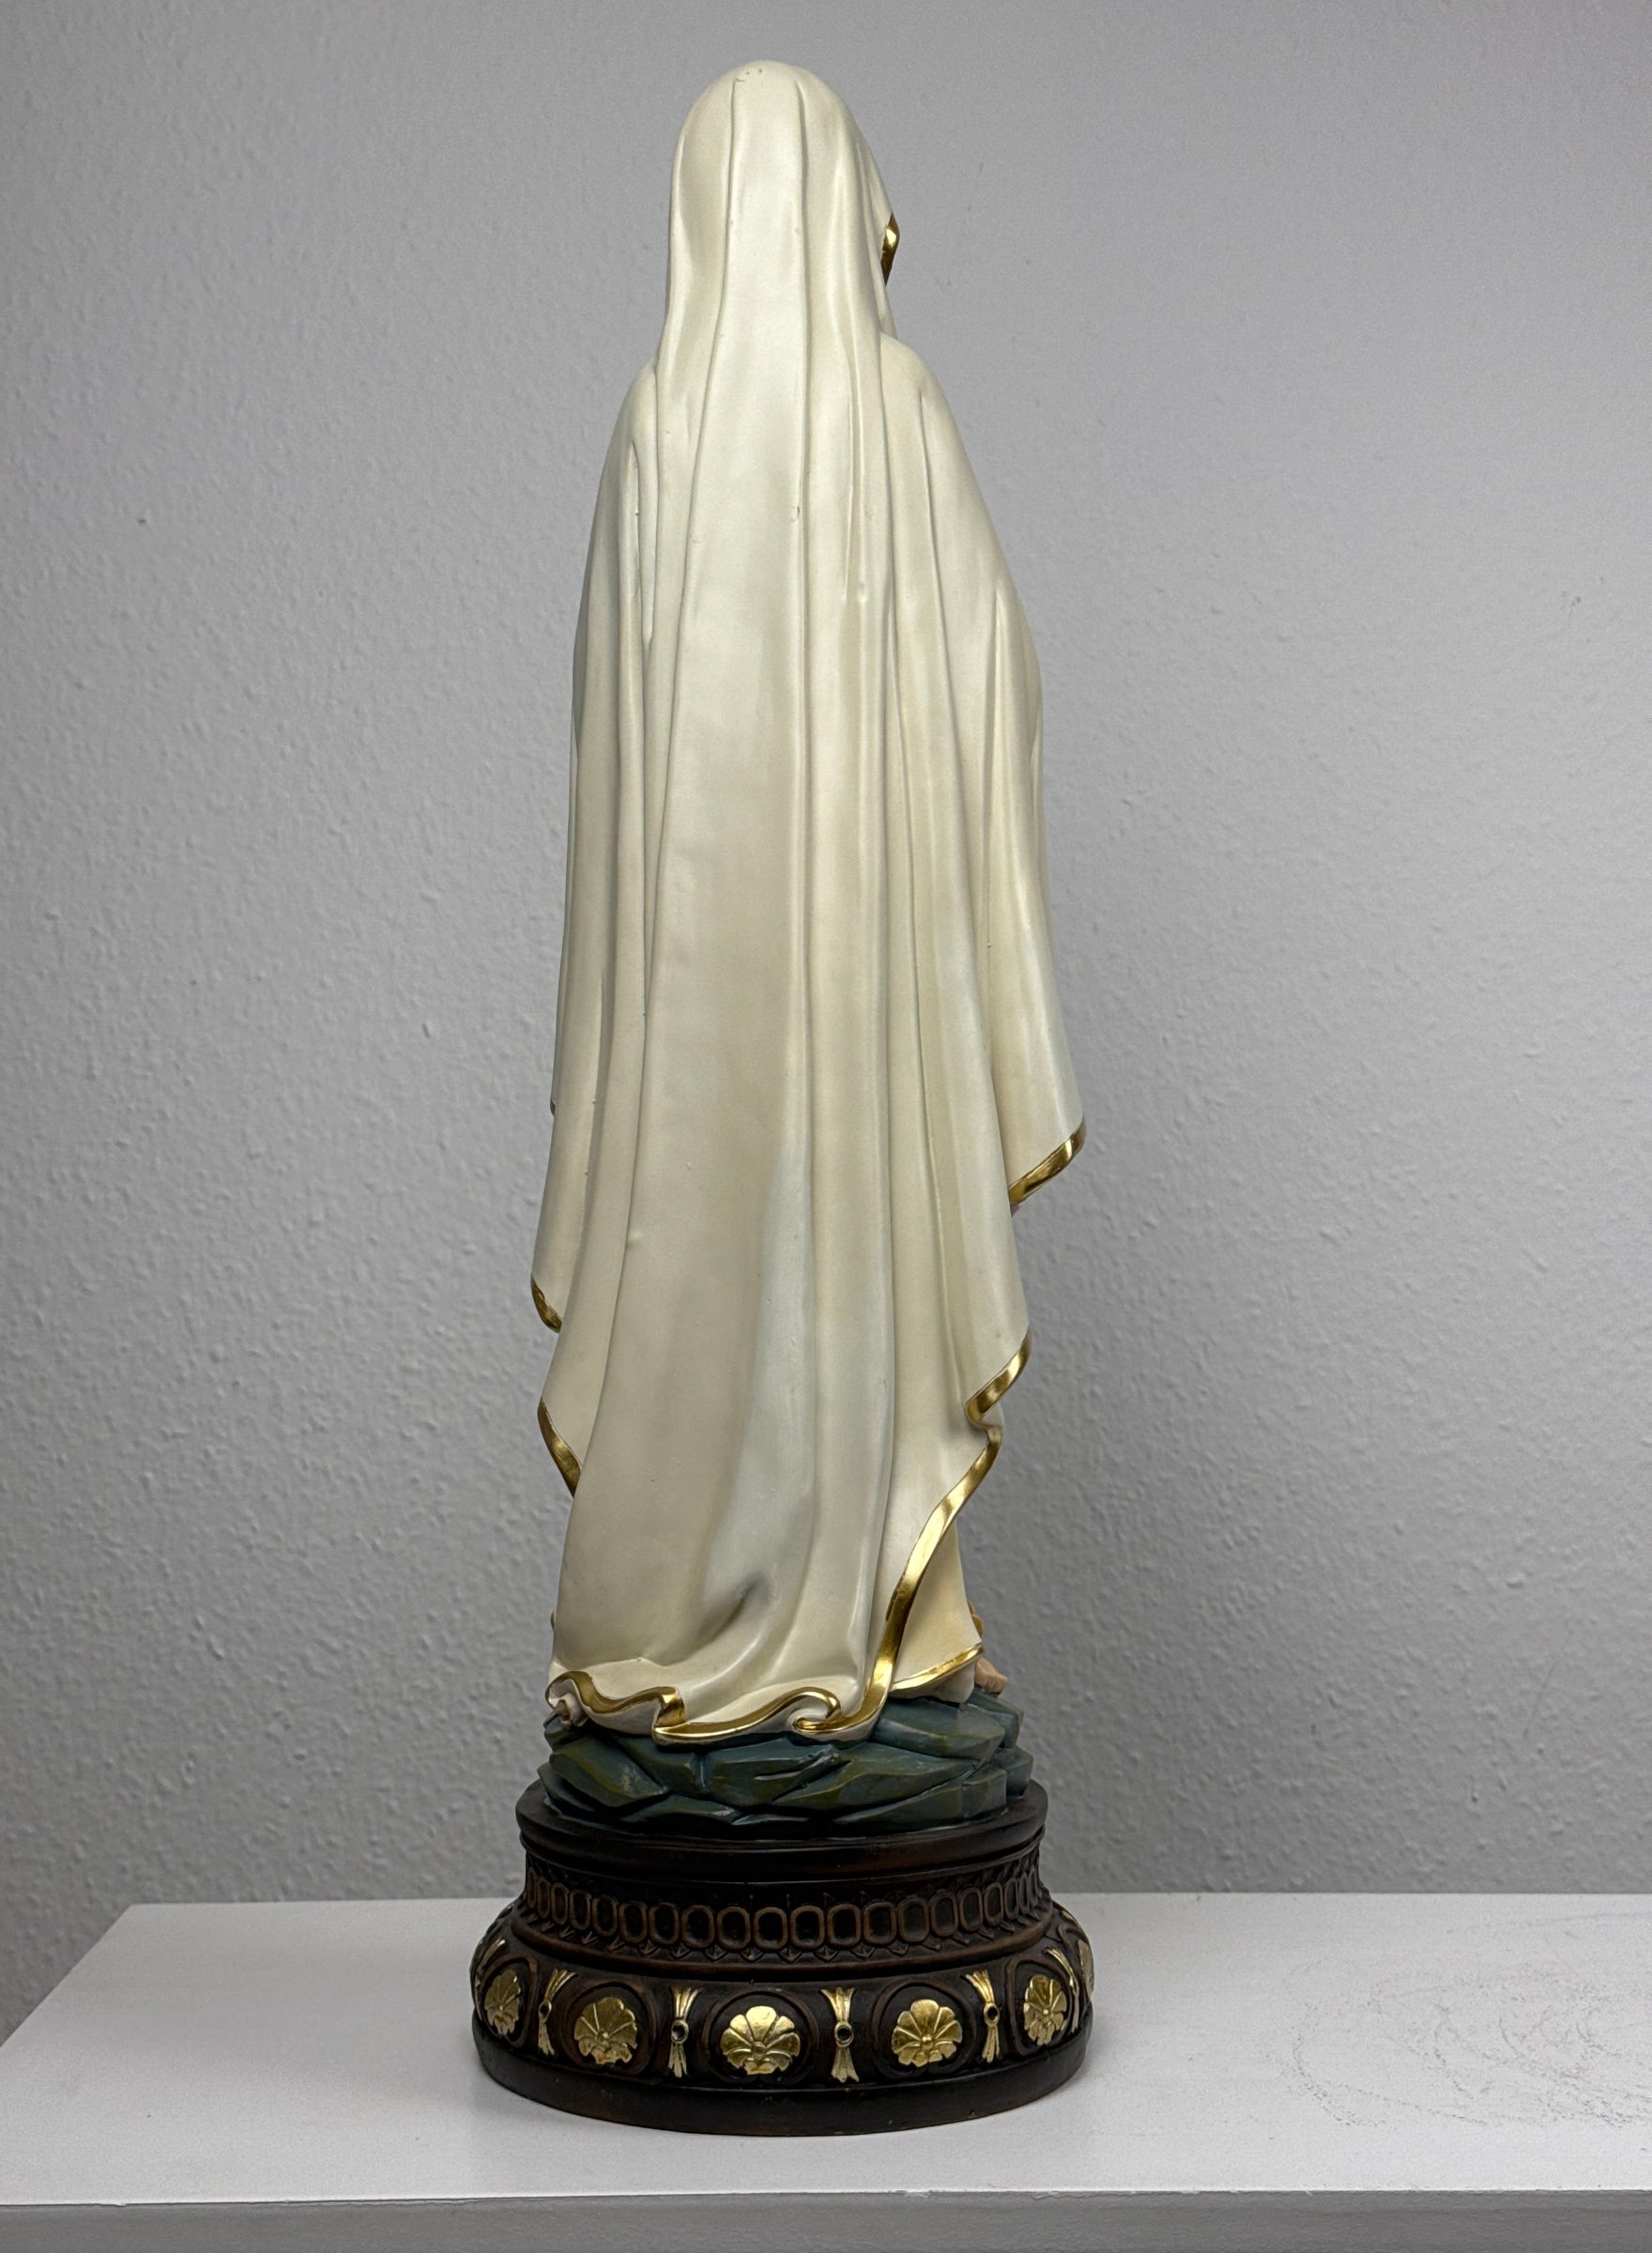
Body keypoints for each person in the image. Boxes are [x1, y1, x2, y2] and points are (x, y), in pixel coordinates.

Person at [529, 62, 1080, 1744]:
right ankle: (877, 1615)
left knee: (702, 1251)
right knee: (861, 1250)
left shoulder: (656, 422)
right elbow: (996, 677)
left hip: (694, 1003)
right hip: (857, 991)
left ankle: (773, 1614)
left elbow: (609, 758)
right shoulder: (894, 411)